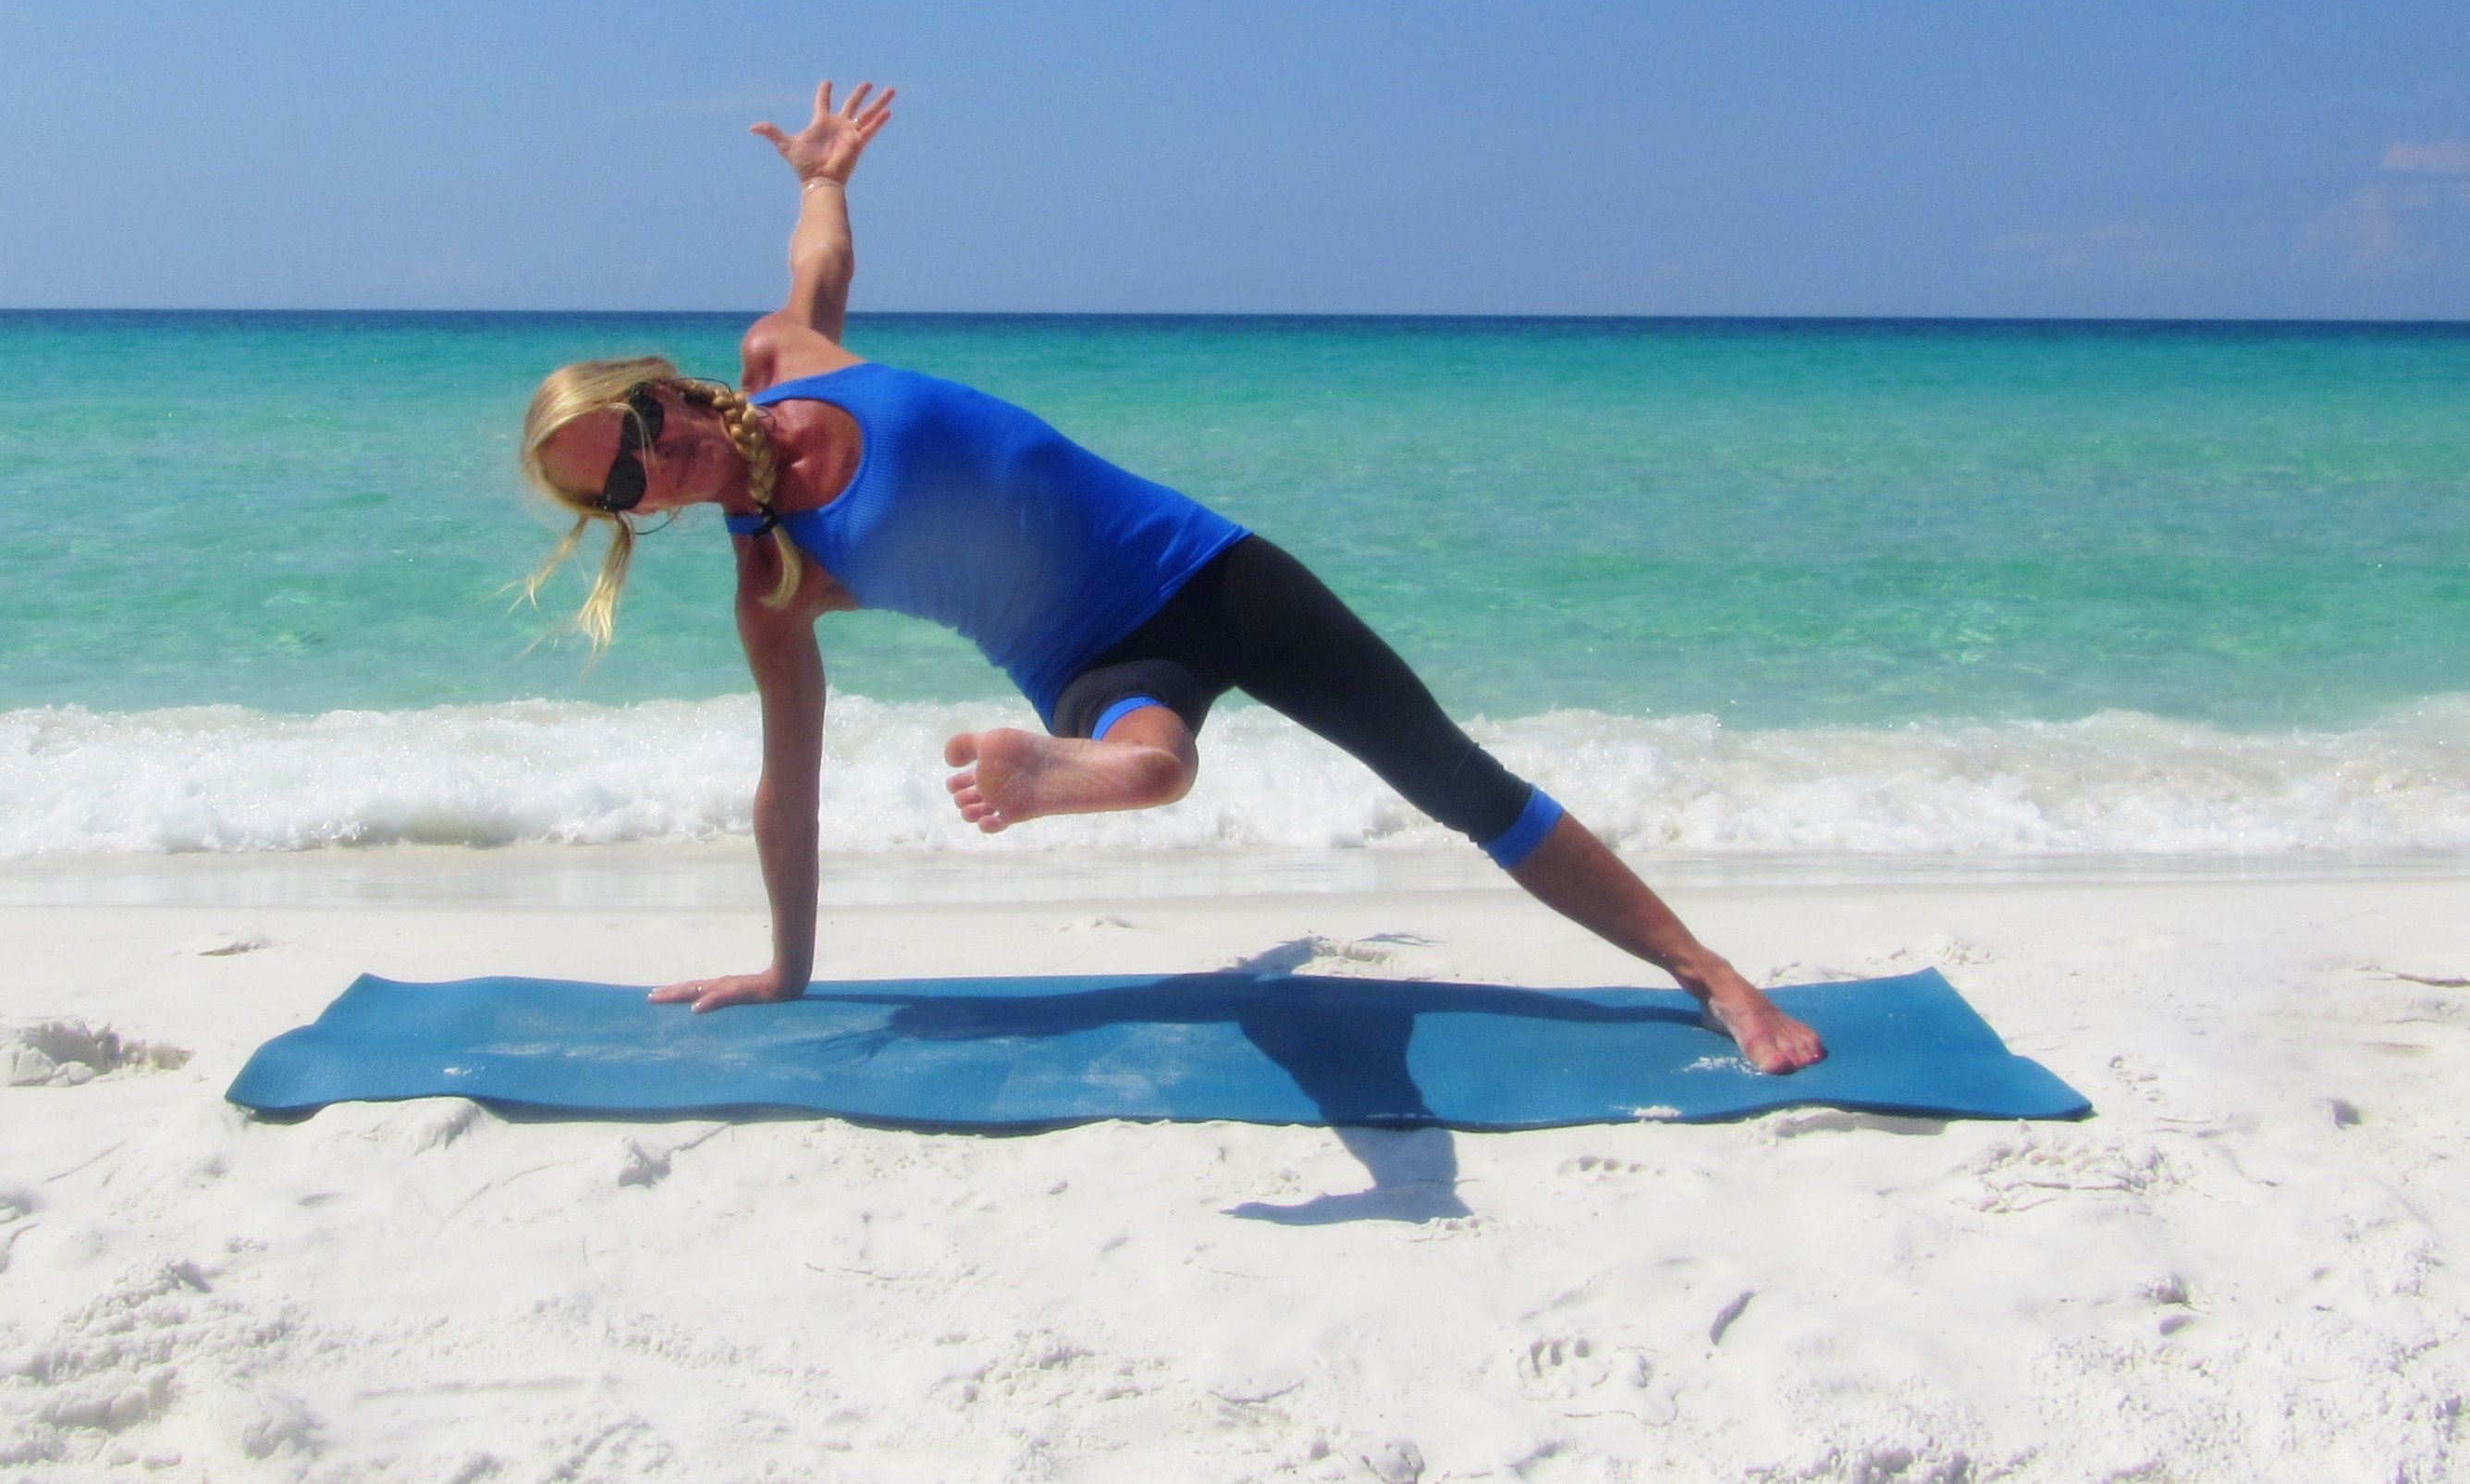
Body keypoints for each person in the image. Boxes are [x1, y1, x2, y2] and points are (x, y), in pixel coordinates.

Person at [520, 82, 1825, 1073]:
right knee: (1156, 761)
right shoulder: (775, 581)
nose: (651, 463)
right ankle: (1078, 769)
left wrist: (821, 178)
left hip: (1208, 566)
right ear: (631, 516)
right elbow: (786, 786)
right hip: (1090, 659)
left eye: (634, 430)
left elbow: (821, 263)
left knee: (1453, 775)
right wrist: (786, 971)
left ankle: (1709, 975)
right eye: (619, 485)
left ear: (657, 389)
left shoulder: (785, 354)